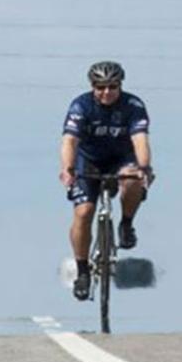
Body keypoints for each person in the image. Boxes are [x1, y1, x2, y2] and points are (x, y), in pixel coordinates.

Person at [59, 61, 154, 300]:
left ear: (120, 86)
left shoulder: (133, 105)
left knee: (132, 179)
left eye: (112, 87)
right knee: (83, 212)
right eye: (100, 87)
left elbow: (140, 140)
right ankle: (82, 272)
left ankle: (126, 224)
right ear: (92, 87)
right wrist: (68, 169)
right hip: (88, 161)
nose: (107, 92)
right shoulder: (81, 105)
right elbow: (69, 141)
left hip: (122, 158)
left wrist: (144, 168)